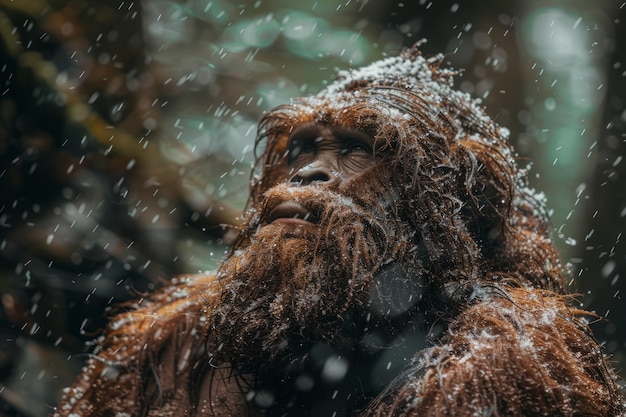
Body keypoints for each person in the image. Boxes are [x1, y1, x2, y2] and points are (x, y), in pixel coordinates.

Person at [55, 44, 624, 417]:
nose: (309, 170)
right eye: (301, 147)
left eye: (355, 149)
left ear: (451, 199)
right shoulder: (173, 343)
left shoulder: (504, 359)